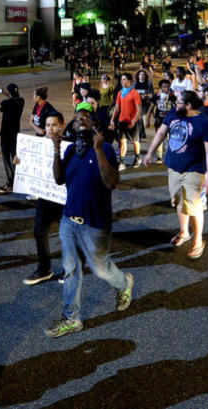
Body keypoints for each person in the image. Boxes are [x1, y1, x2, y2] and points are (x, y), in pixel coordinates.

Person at [45, 105, 133, 338]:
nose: (81, 120)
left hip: (95, 224)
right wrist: (56, 149)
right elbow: (58, 179)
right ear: (72, 126)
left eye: (86, 117)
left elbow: (112, 182)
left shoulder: (105, 149)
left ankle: (124, 283)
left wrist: (98, 149)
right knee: (71, 270)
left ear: (95, 126)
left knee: (101, 269)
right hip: (69, 221)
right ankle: (71, 318)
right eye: (77, 118)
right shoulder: (71, 150)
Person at [144, 91, 208, 257]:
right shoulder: (173, 114)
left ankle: (198, 240)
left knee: (194, 206)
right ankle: (184, 232)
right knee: (178, 202)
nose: (175, 106)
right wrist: (150, 153)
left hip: (193, 170)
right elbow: (161, 133)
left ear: (189, 105)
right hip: (173, 168)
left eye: (178, 103)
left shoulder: (204, 123)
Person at [22, 110, 67, 285]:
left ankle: (69, 269)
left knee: (66, 236)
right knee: (39, 231)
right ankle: (44, 269)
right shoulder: (37, 145)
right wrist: (19, 161)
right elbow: (28, 165)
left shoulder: (69, 145)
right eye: (47, 125)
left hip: (63, 199)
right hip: (45, 196)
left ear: (62, 125)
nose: (50, 128)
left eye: (54, 124)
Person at [0, 83, 25, 194]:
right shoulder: (21, 101)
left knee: (6, 159)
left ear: (9, 92)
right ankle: (18, 182)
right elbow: (13, 99)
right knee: (15, 158)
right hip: (16, 133)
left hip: (6, 134)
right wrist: (8, 94)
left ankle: (10, 183)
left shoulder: (5, 103)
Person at [110, 73, 143, 170]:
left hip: (132, 121)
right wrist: (112, 119)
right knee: (122, 141)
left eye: (124, 79)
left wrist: (133, 121)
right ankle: (122, 162)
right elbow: (117, 107)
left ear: (129, 81)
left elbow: (139, 109)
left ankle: (138, 157)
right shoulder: (120, 92)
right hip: (122, 120)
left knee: (135, 140)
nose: (122, 81)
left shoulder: (134, 93)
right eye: (121, 80)